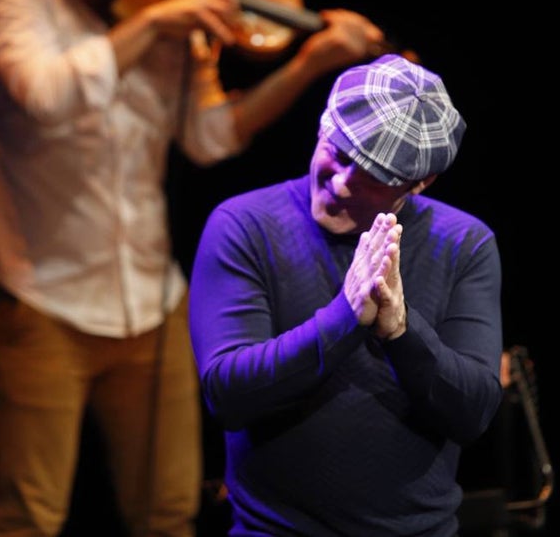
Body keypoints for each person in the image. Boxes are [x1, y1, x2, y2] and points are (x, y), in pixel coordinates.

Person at [0, 0, 386, 537]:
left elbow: (210, 134)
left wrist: (309, 63)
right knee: (28, 518)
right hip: (39, 299)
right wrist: (159, 22)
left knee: (168, 515)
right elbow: (44, 95)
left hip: (151, 305)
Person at [188, 54, 505, 536]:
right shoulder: (244, 226)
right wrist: (344, 317)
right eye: (335, 154)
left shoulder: (464, 243)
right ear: (322, 127)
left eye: (370, 181)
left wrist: (401, 330)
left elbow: (473, 413)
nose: (336, 185)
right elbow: (228, 394)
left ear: (421, 183)